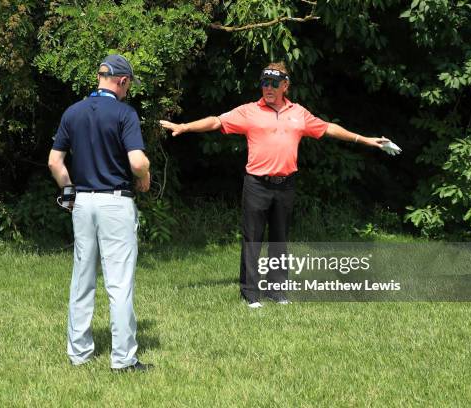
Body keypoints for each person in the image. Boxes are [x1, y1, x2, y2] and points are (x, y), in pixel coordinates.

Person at [160, 62, 390, 309]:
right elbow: (216, 121)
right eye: (264, 83)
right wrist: (184, 127)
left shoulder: (298, 113)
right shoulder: (249, 111)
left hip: (286, 185)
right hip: (257, 184)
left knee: (279, 239)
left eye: (273, 83)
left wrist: (364, 139)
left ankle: (277, 291)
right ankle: (250, 294)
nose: (268, 88)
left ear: (285, 85)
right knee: (253, 239)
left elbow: (327, 128)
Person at [48, 54, 153, 371]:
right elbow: (137, 162)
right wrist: (145, 176)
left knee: (82, 280)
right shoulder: (124, 113)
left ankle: (78, 354)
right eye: (128, 85)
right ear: (122, 81)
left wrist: (69, 195)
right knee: (119, 283)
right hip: (115, 203)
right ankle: (123, 359)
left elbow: (55, 161)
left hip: (82, 201)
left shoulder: (73, 112)